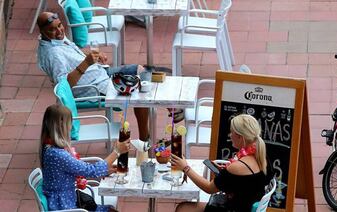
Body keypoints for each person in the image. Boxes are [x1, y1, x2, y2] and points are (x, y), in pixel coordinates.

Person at [36, 12, 152, 141]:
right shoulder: (53, 54)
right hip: (94, 87)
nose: (59, 31)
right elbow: (65, 86)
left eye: (59, 25)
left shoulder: (55, 40)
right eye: (52, 29)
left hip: (100, 73)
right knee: (141, 93)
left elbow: (73, 58)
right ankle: (144, 140)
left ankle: (167, 111)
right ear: (42, 31)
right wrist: (86, 63)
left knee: (141, 71)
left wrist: (92, 58)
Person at [39, 104, 130, 211]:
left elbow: (76, 169)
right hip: (66, 207)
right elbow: (91, 171)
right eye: (69, 124)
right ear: (61, 125)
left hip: (64, 201)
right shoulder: (58, 155)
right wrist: (117, 151)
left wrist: (106, 170)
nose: (71, 127)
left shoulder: (48, 148)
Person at [171, 114, 268, 212]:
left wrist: (185, 167)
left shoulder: (236, 168)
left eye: (232, 132)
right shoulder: (261, 157)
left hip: (233, 208)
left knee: (182, 208)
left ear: (240, 137)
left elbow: (209, 188)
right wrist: (226, 173)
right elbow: (246, 183)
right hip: (247, 206)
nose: (230, 135)